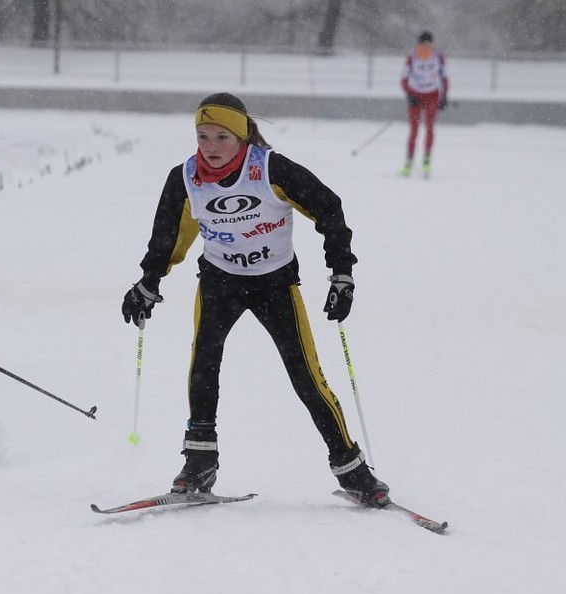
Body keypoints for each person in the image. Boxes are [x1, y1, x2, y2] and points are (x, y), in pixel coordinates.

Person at [121, 92, 389, 507]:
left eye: (222, 137)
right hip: (219, 282)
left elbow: (329, 209)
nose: (210, 147)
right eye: (202, 136)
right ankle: (199, 463)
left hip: (275, 284)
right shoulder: (185, 178)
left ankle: (352, 470)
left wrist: (342, 274)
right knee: (202, 367)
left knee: (306, 377)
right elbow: (168, 236)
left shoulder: (270, 169)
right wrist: (147, 282)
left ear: (243, 136)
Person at [400, 30, 449, 178]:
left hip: (432, 96)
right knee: (414, 130)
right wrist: (410, 94)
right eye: (423, 44)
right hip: (416, 96)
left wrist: (444, 96)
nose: (426, 47)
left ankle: (427, 160)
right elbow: (403, 80)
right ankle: (409, 162)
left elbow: (444, 78)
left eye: (429, 44)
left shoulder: (438, 57)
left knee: (429, 128)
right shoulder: (411, 58)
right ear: (419, 44)